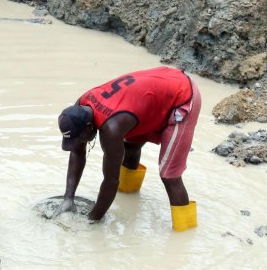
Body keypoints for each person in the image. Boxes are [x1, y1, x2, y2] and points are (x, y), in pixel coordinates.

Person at [56, 66, 201, 230]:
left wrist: (91, 222)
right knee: (130, 146)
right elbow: (77, 151)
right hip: (158, 89)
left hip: (182, 95)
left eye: (80, 138)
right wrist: (68, 198)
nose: (80, 143)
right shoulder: (81, 105)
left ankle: (185, 233)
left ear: (89, 127)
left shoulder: (111, 129)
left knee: (170, 175)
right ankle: (129, 196)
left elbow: (111, 181)